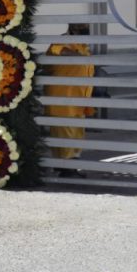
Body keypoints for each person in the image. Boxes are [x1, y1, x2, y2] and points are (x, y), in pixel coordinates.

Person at [44, 23, 94, 173]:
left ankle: (71, 166)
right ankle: (66, 169)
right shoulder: (61, 41)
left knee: (77, 136)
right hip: (63, 100)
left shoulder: (82, 45)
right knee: (65, 135)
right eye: (81, 28)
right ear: (72, 29)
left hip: (79, 101)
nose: (85, 30)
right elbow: (59, 51)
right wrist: (79, 57)